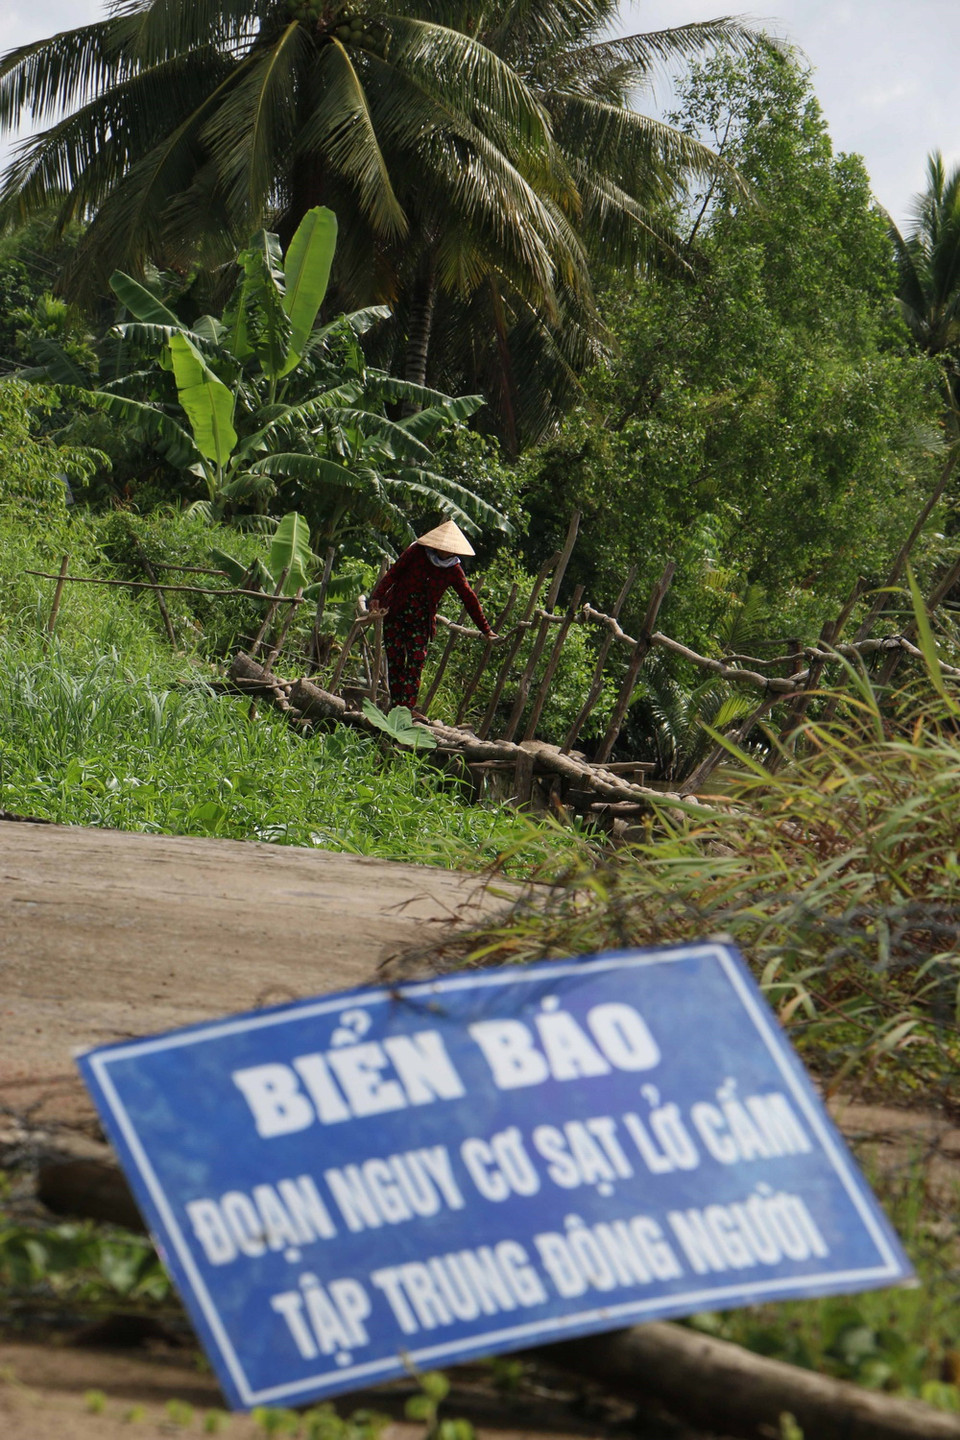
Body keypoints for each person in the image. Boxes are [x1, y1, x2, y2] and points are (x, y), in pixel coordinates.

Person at [370, 520, 496, 715]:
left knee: (416, 662)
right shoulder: (416, 552)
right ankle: (397, 707)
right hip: (396, 612)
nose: (445, 552)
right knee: (396, 661)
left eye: (449, 550)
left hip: (421, 621)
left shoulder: (454, 569)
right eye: (442, 548)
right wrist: (377, 597)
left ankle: (406, 709)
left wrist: (485, 629)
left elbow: (469, 598)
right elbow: (393, 573)